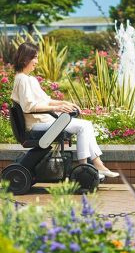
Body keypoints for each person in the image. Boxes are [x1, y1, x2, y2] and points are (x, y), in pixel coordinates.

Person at [11, 42, 119, 178]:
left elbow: (45, 100)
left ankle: (95, 165)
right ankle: (85, 168)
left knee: (86, 125)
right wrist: (56, 108)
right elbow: (28, 107)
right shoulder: (22, 80)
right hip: (37, 125)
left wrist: (63, 102)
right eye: (35, 58)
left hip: (44, 121)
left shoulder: (29, 79)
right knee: (83, 127)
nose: (37, 62)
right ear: (25, 58)